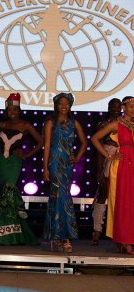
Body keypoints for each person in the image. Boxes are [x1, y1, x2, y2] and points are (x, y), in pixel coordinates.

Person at [0, 93, 42, 245]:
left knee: (10, 189)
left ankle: (14, 233)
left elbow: (40, 141)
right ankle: (2, 231)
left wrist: (27, 155)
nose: (13, 112)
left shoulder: (25, 125)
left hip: (15, 162)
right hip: (2, 161)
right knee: (2, 191)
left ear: (19, 110)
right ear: (6, 111)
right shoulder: (1, 125)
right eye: (10, 110)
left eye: (16, 109)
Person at [43, 93, 87, 253]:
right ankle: (64, 238)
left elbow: (85, 142)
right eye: (60, 103)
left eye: (66, 104)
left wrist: (77, 157)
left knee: (60, 197)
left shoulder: (74, 123)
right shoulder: (50, 122)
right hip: (54, 162)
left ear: (70, 106)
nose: (63, 106)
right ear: (56, 105)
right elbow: (46, 145)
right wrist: (45, 167)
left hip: (67, 165)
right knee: (61, 196)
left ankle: (55, 237)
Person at [91, 96, 134, 255]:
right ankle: (124, 240)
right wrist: (109, 156)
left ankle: (128, 239)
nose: (133, 109)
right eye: (130, 106)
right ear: (124, 108)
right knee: (122, 203)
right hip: (121, 166)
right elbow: (95, 139)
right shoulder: (116, 124)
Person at [91, 98, 121, 245]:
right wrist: (99, 170)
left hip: (123, 159)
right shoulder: (103, 124)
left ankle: (119, 233)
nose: (116, 109)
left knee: (121, 196)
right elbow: (97, 149)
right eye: (113, 106)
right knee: (102, 194)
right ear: (108, 107)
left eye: (118, 106)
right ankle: (97, 230)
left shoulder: (126, 123)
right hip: (108, 158)